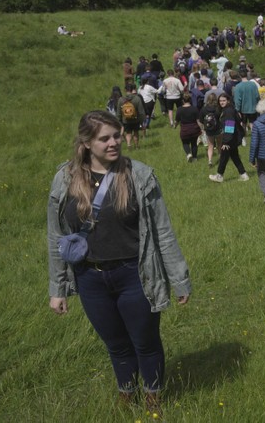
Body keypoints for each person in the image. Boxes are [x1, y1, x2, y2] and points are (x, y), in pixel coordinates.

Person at [47, 110, 191, 413]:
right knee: (116, 344)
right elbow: (56, 237)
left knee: (145, 342)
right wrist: (57, 288)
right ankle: (127, 392)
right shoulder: (65, 178)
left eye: (117, 135)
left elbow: (163, 231)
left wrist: (179, 279)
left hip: (135, 276)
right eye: (105, 138)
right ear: (86, 142)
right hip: (90, 278)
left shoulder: (139, 175)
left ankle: (153, 396)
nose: (114, 142)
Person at [209, 94, 249, 183]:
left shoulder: (228, 111)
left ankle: (219, 175)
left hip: (230, 138)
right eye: (220, 101)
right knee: (234, 156)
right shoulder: (228, 109)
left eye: (224, 100)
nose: (222, 102)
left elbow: (229, 126)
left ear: (228, 101)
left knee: (224, 156)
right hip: (233, 137)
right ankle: (244, 175)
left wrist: (226, 142)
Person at [175, 92, 203, 162]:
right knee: (194, 144)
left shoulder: (179, 109)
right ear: (190, 100)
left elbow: (177, 121)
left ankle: (188, 154)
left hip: (184, 130)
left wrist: (175, 126)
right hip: (194, 129)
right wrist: (202, 129)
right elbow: (198, 121)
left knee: (185, 143)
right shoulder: (194, 109)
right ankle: (195, 158)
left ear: (182, 100)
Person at [117, 83, 145, 149]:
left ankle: (129, 144)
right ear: (132, 89)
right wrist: (142, 120)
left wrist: (119, 120)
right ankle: (136, 146)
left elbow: (119, 112)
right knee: (135, 132)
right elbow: (141, 111)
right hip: (136, 119)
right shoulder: (137, 98)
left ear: (125, 90)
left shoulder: (121, 99)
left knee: (128, 133)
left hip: (125, 120)